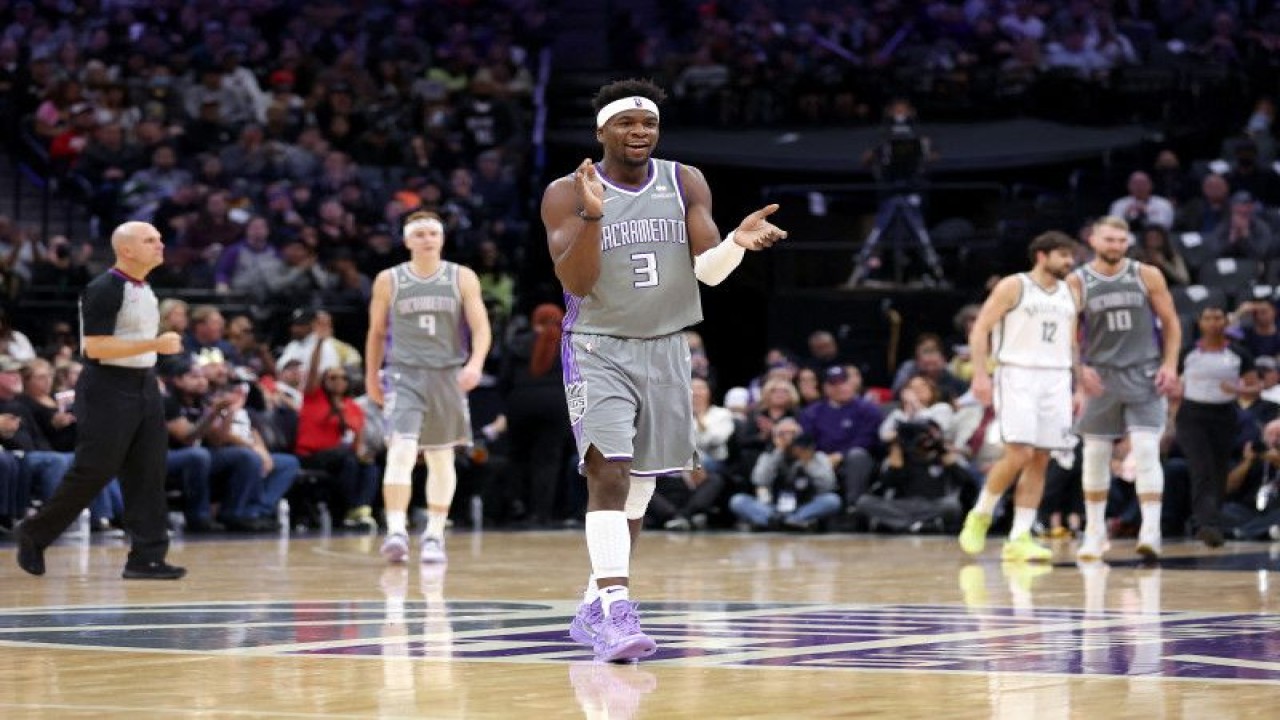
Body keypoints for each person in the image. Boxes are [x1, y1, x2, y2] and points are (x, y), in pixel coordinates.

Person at [541, 78, 786, 663]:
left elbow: (708, 272)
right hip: (598, 345)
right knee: (609, 471)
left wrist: (735, 242)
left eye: (648, 124)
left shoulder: (684, 180)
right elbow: (575, 283)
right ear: (601, 130)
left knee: (642, 486)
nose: (640, 133)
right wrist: (595, 218)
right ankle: (619, 609)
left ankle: (592, 605)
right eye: (627, 124)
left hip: (667, 346)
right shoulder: (566, 192)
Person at [14, 221, 186, 579]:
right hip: (107, 385)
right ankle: (34, 533)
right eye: (150, 240)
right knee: (95, 469)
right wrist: (155, 345)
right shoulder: (105, 288)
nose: (160, 244)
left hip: (144, 383)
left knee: (148, 470)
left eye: (159, 238)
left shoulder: (145, 288)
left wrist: (151, 358)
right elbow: (95, 346)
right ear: (126, 249)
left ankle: (147, 557)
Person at [367, 210, 491, 564]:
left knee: (440, 456)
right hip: (403, 373)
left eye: (432, 233)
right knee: (401, 450)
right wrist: (370, 375)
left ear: (442, 239)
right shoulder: (389, 279)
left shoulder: (461, 277)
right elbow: (376, 333)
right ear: (407, 240)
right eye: (419, 233)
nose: (426, 239)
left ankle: (434, 533)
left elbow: (480, 328)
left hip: (447, 374)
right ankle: (395, 530)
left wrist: (475, 364)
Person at [957, 231, 1080, 563]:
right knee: (1019, 454)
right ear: (1041, 256)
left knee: (1041, 458)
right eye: (1063, 255)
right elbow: (980, 328)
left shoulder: (1071, 291)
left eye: (1071, 256)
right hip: (1017, 373)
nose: (1070, 262)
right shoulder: (1014, 285)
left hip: (1057, 376)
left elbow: (1073, 343)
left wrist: (1079, 384)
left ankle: (1020, 536)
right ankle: (981, 513)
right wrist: (981, 374)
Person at [1068, 216, 1182, 562]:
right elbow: (1070, 334)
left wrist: (1169, 364)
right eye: (1109, 239)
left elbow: (1172, 322)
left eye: (1121, 240)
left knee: (1147, 451)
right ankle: (1094, 532)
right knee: (1095, 455)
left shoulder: (1146, 274)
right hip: (1100, 376)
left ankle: (1151, 532)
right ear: (1093, 240)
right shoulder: (1078, 280)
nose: (1116, 245)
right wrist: (1079, 370)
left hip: (1143, 372)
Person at [1174, 305, 1256, 547]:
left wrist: (1239, 389)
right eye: (1207, 318)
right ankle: (1206, 525)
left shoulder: (1238, 354)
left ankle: (1210, 521)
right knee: (1202, 468)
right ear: (1200, 323)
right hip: (1192, 415)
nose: (1212, 322)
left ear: (1226, 322)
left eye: (1217, 317)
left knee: (1219, 471)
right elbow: (1173, 383)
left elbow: (1255, 387)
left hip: (1224, 414)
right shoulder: (1187, 353)